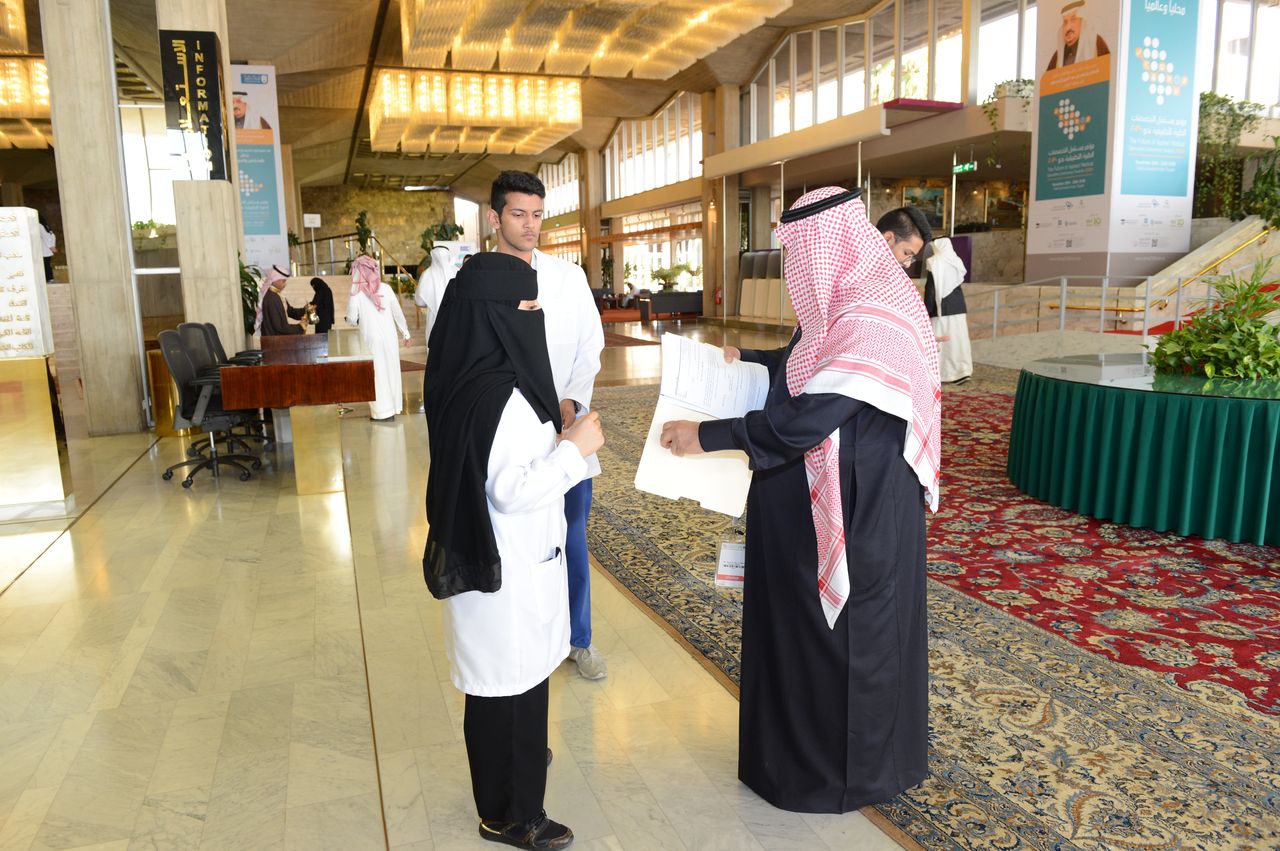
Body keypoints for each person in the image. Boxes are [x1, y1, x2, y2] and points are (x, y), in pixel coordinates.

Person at [660, 187, 940, 813]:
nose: (797, 270)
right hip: (819, 496)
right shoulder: (849, 301)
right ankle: (790, 758)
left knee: (846, 635)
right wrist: (748, 359)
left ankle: (838, 773)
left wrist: (707, 436)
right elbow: (805, 362)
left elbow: (809, 417)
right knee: (801, 627)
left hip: (859, 507)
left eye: (800, 255)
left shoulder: (872, 313)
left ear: (829, 245)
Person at [422, 251, 604, 851]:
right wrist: (574, 450)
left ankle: (505, 788)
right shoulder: (502, 398)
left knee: (498, 688)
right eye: (527, 306)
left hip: (494, 567)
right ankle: (514, 816)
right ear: (497, 314)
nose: (536, 315)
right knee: (515, 691)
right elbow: (511, 489)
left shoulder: (463, 378)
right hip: (512, 569)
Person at [488, 170, 607, 680]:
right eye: (518, 214)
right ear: (495, 218)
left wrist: (571, 402)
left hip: (567, 434)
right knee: (516, 540)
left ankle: (578, 638)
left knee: (571, 535)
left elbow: (589, 346)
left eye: (537, 215)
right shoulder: (475, 283)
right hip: (507, 441)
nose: (530, 225)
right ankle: (526, 638)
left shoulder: (567, 278)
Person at [346, 255, 410, 421]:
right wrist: (405, 333)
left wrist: (353, 320)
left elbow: (351, 318)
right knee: (391, 369)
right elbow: (397, 312)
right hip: (390, 337)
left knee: (376, 374)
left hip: (370, 339)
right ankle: (394, 407)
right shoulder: (386, 288)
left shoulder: (356, 292)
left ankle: (381, 412)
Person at [924, 237, 973, 384]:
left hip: (941, 308)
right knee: (959, 341)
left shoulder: (934, 261)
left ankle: (941, 374)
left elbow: (931, 289)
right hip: (958, 307)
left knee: (941, 341)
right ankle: (963, 371)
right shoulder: (956, 260)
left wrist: (927, 310)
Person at [1046, 0, 1110, 71]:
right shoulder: (1056, 58)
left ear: (1083, 22)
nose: (1068, 28)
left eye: (1073, 19)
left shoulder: (1097, 44)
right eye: (1065, 22)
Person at [256, 265, 310, 336]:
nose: (285, 284)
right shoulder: (272, 298)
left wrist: (306, 310)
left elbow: (290, 311)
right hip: (274, 341)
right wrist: (300, 327)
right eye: (283, 281)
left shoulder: (276, 296)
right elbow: (280, 328)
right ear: (275, 279)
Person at [416, 244, 455, 338]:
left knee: (435, 344)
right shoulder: (457, 271)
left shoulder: (427, 274)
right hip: (455, 318)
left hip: (434, 320)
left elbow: (419, 302)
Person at [37, 213, 55, 282]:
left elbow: (46, 236)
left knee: (45, 265)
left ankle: (49, 279)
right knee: (46, 265)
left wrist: (51, 246)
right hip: (46, 250)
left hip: (44, 250)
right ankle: (49, 279)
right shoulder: (44, 226)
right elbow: (52, 236)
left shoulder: (39, 225)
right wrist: (52, 245)